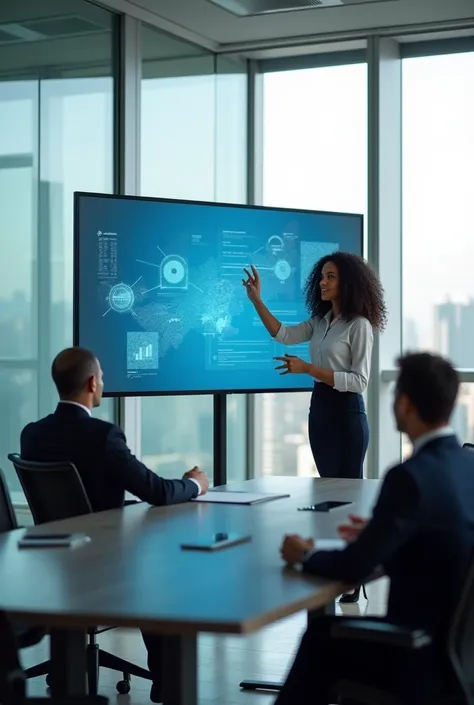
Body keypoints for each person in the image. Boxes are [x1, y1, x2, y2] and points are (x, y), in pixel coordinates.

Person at [276, 352, 474, 705]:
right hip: (460, 653)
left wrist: (305, 555)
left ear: (406, 404)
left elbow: (353, 567)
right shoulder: (466, 464)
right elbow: (447, 532)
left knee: (321, 635)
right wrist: (384, 531)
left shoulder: (409, 477)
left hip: (417, 654)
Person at [20, 346, 210, 704]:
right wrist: (195, 483)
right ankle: (169, 685)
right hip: (102, 562)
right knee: (162, 577)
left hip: (51, 559)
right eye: (103, 377)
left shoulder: (32, 434)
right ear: (92, 383)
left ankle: (71, 666)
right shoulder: (103, 435)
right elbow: (155, 490)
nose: (104, 382)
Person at [243, 252, 387, 602]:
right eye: (322, 276)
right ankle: (335, 567)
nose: (322, 282)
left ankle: (353, 574)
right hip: (320, 411)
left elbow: (359, 381)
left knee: (348, 498)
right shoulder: (320, 322)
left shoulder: (360, 325)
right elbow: (283, 334)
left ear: (348, 282)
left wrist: (308, 369)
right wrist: (257, 301)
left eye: (331, 277)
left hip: (348, 414)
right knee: (328, 497)